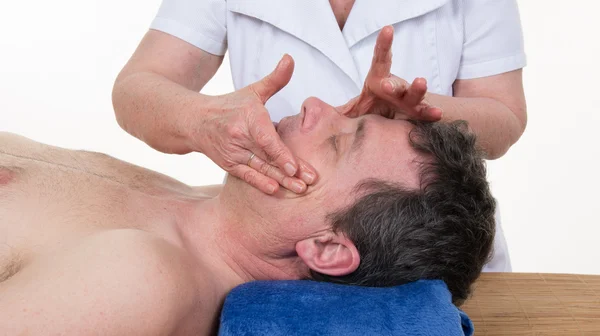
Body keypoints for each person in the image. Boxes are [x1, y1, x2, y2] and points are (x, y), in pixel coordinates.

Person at [0, 97, 495, 336]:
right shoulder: (191, 208)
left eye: (338, 142)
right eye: (346, 116)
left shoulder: (141, 284)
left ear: (325, 248)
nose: (315, 105)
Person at [112, 0, 527, 273]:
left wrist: (425, 111)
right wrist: (203, 120)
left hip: (420, 255)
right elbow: (135, 90)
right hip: (275, 256)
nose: (312, 104)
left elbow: (505, 117)